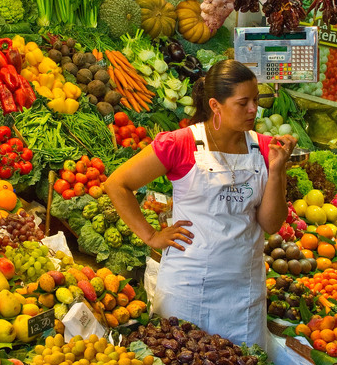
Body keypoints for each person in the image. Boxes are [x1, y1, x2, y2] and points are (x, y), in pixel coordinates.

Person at [103, 60, 296, 348]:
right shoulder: (179, 143)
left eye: (256, 100)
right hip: (188, 288)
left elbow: (270, 223)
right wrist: (152, 236)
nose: (253, 109)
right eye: (243, 103)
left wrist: (278, 170)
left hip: (243, 291)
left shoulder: (267, 148)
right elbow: (116, 184)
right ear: (216, 106)